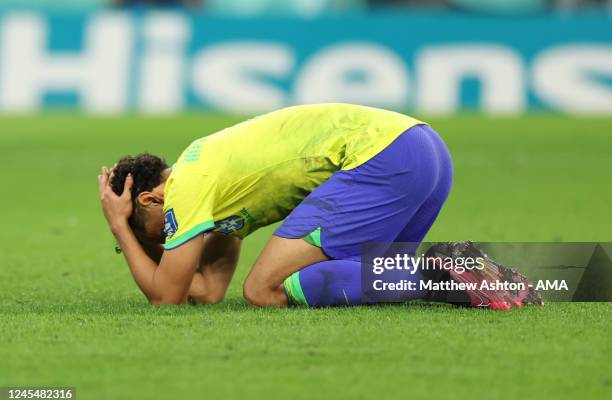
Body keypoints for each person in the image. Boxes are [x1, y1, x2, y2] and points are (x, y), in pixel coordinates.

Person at [98, 103, 536, 309]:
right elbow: (207, 290)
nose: (163, 241)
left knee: (263, 290)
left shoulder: (188, 189)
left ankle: (433, 274)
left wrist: (121, 229)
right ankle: (470, 275)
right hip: (424, 147)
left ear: (151, 198)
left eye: (152, 232)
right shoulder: (208, 186)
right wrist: (138, 236)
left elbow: (167, 297)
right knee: (374, 277)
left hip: (381, 157)